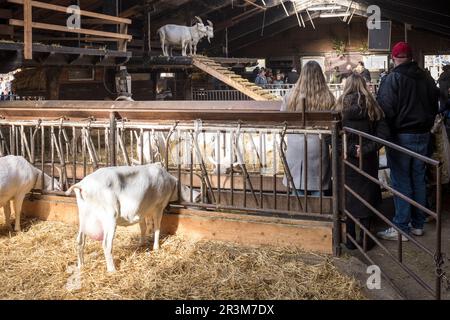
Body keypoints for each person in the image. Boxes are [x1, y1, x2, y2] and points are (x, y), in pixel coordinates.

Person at [376, 42, 439, 240]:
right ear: (412, 57)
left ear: (394, 59)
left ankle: (401, 227)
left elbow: (385, 109)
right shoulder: (427, 78)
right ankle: (418, 224)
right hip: (423, 134)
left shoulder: (393, 78)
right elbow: (435, 105)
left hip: (401, 136)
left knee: (401, 181)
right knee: (418, 179)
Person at [337, 74, 391, 251]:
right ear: (364, 86)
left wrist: (351, 149)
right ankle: (366, 239)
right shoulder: (374, 107)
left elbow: (331, 138)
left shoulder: (338, 107)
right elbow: (383, 135)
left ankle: (351, 239)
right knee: (366, 194)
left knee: (349, 194)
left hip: (347, 159)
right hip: (367, 160)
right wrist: (365, 149)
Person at [280, 61, 336, 196]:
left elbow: (283, 119)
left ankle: (300, 215)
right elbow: (332, 124)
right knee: (318, 189)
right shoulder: (328, 97)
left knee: (297, 189)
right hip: (318, 146)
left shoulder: (290, 95)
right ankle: (320, 214)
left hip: (295, 146)